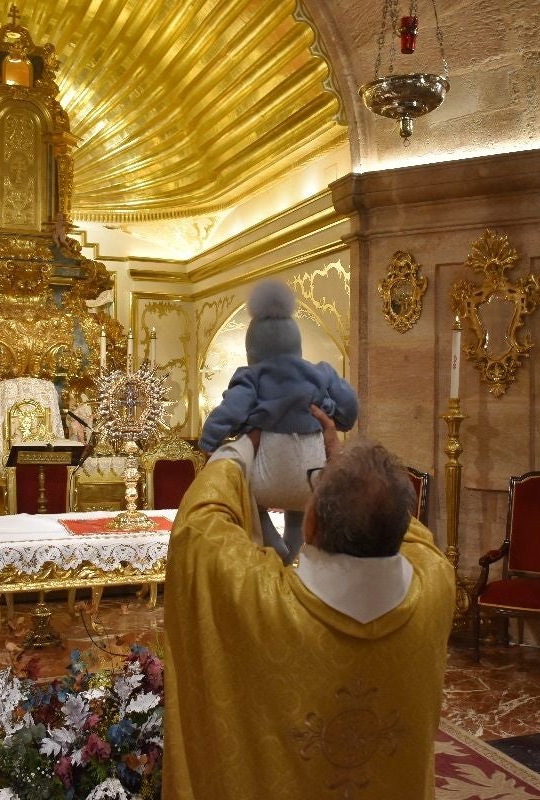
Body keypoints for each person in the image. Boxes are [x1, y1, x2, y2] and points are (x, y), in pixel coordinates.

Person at [163, 406, 455, 799]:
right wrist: (344, 463)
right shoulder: (436, 584)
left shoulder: (261, 598)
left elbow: (199, 526)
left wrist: (243, 447)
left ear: (311, 524)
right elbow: (400, 526)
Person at [198, 280, 358, 563]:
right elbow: (349, 407)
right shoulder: (320, 372)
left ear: (253, 348)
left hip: (269, 468)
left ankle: (279, 554)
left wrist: (208, 442)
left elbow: (230, 411)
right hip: (311, 469)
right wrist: (340, 422)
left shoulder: (252, 376)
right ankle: (289, 555)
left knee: (252, 502)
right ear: (296, 342)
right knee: (298, 515)